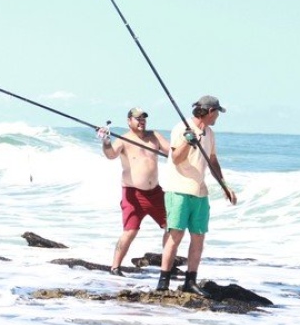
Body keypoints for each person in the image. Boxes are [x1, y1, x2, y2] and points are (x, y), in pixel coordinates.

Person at [156, 95, 237, 296]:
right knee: (175, 235)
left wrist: (224, 185)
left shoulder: (209, 133)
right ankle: (163, 281)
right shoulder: (180, 128)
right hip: (179, 190)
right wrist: (187, 140)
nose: (218, 115)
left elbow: (213, 161)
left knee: (198, 237)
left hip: (200, 192)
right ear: (210, 112)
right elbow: (175, 158)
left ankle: (190, 281)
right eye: (217, 112)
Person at [97, 107, 171, 277]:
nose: (142, 121)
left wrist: (188, 143)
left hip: (155, 193)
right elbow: (110, 155)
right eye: (137, 118)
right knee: (130, 231)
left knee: (171, 228)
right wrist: (106, 141)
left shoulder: (155, 136)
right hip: (133, 194)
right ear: (129, 121)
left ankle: (166, 268)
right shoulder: (124, 139)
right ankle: (115, 267)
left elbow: (171, 151)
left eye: (144, 118)